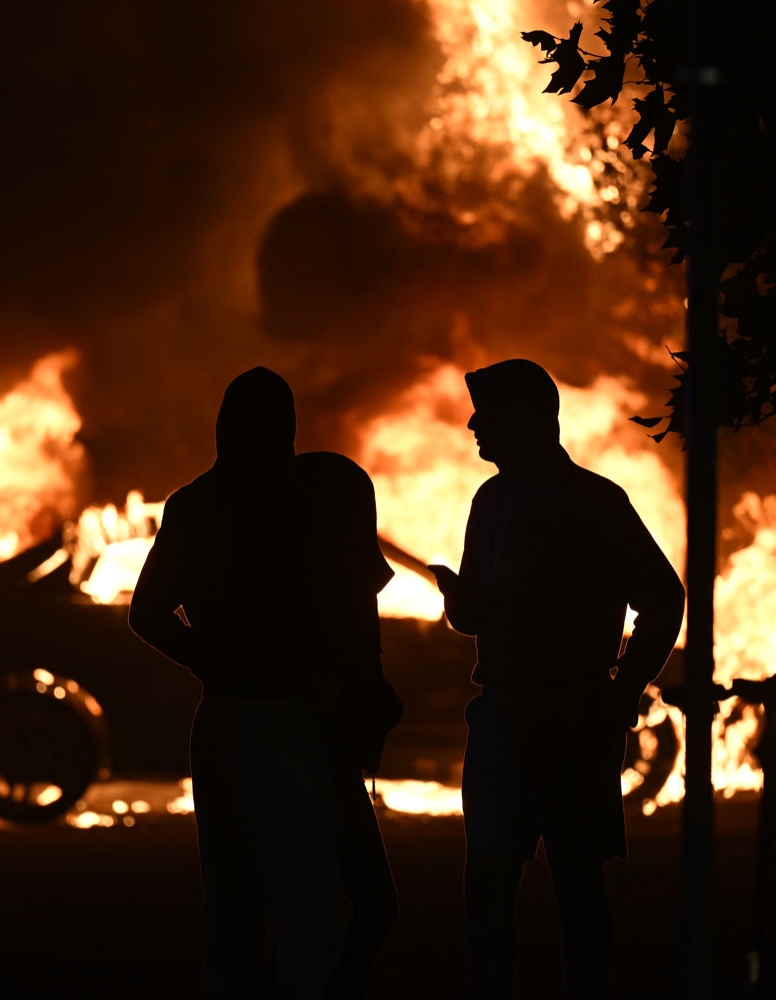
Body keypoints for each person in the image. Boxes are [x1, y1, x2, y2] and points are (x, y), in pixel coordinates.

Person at [429, 359, 685, 999]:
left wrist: (621, 693)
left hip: (572, 717)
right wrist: (464, 607)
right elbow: (482, 613)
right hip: (501, 715)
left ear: (525, 418)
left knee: (576, 882)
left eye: (487, 413)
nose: (473, 425)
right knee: (487, 880)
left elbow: (662, 598)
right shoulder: (490, 501)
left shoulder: (595, 503)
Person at [127, 367, 345, 998]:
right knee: (309, 900)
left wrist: (208, 660)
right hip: (286, 715)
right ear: (286, 431)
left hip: (220, 715)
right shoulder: (303, 503)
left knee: (231, 897)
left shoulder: (194, 503)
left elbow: (146, 612)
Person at [293, 450, 405, 998]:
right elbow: (360, 670)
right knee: (368, 905)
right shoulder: (332, 592)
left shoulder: (310, 585)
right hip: (322, 761)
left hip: (319, 756)